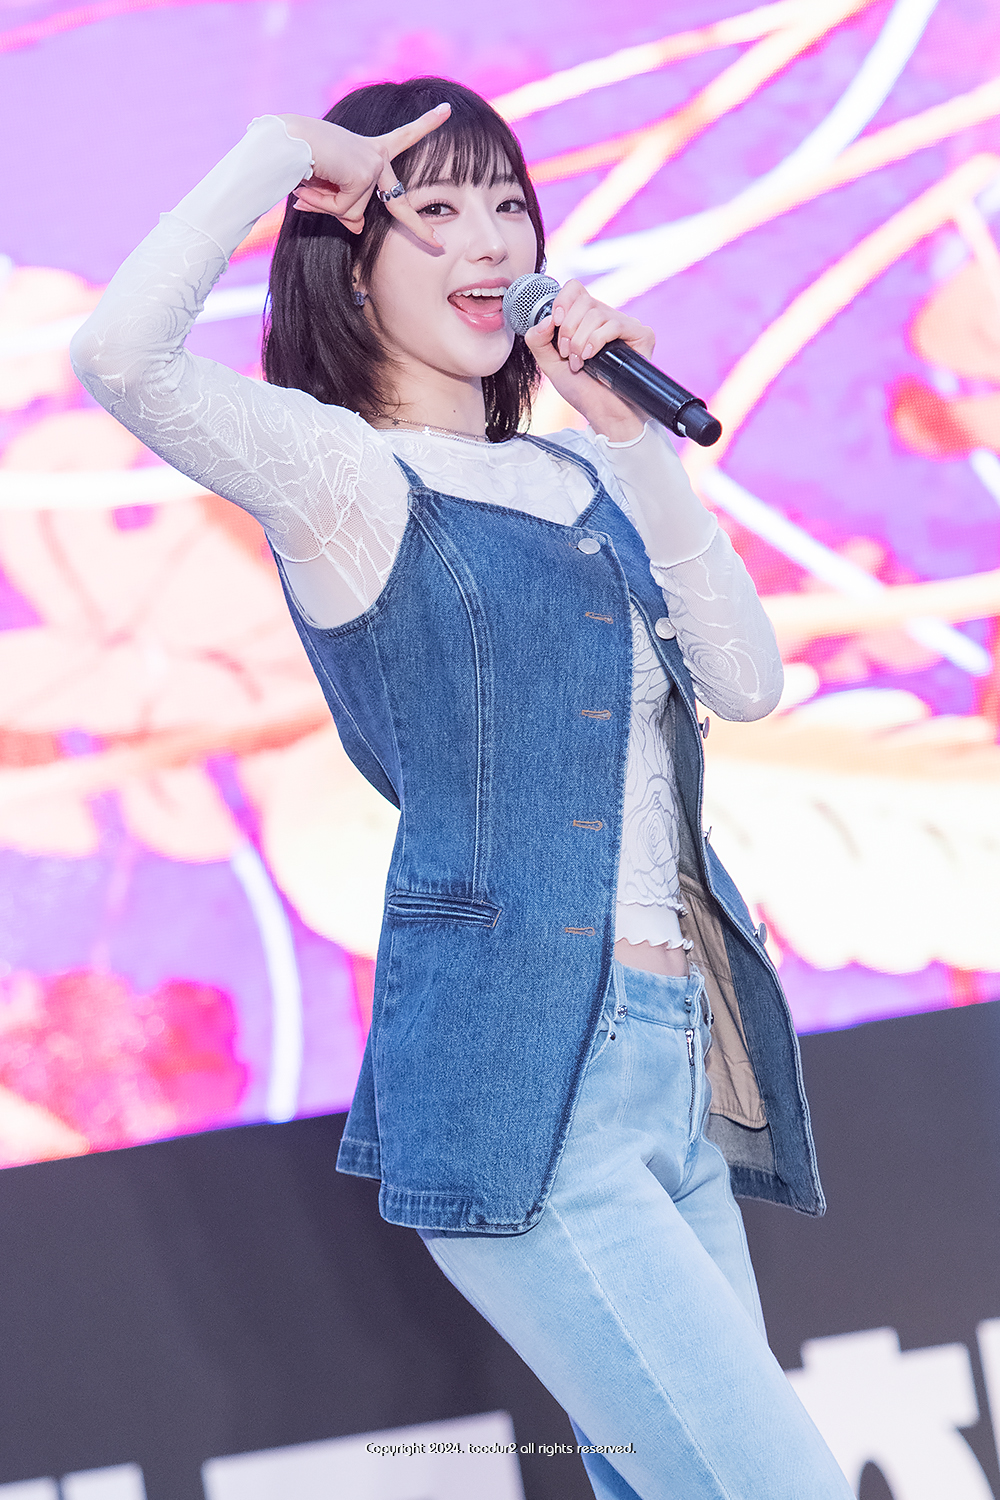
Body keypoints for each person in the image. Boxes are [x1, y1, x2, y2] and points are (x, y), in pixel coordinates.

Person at [71, 75, 853, 1500]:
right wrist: (283, 153)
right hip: (533, 1085)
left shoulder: (582, 472)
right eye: (433, 209)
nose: (490, 240)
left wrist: (634, 446)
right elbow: (122, 354)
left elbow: (746, 681)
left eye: (508, 205)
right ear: (350, 260)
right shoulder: (342, 474)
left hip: (680, 1063)